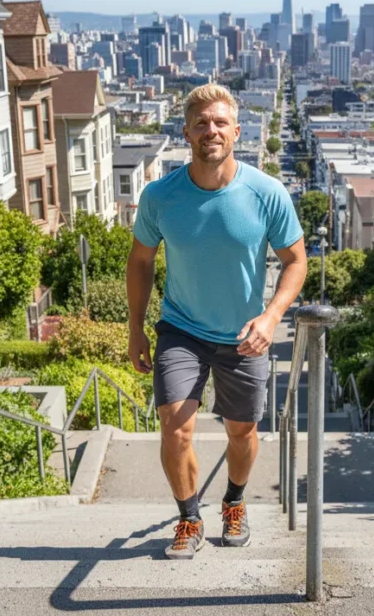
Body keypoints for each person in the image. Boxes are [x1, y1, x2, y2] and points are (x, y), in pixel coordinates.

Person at [126, 84, 306, 560]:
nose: (211, 130)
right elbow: (140, 261)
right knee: (175, 427)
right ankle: (188, 518)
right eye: (202, 123)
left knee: (241, 433)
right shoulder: (161, 196)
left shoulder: (266, 193)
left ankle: (233, 503)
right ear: (186, 131)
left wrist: (271, 317)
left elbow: (296, 262)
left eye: (220, 122)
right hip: (180, 329)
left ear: (237, 132)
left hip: (245, 335)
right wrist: (135, 328)